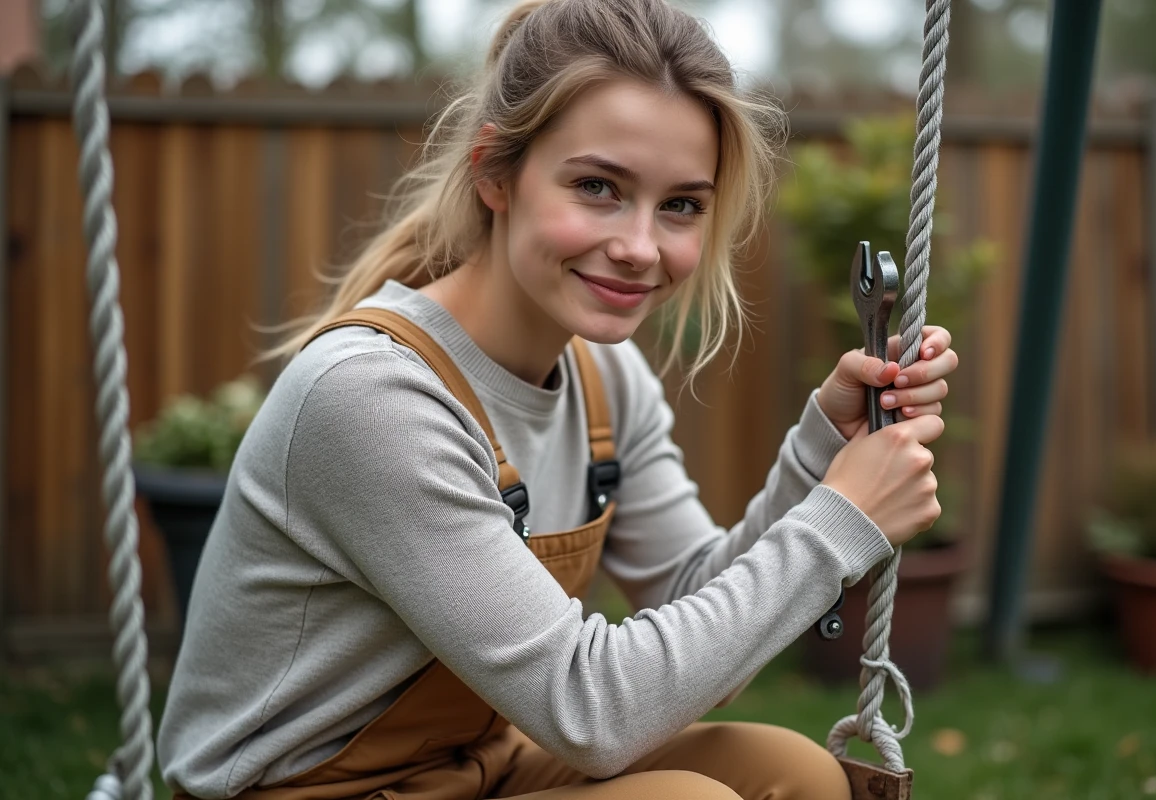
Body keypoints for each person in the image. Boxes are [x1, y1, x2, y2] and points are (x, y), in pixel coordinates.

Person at [157, 0, 957, 797]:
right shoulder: (375, 396)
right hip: (299, 790)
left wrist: (823, 450)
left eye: (680, 205)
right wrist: (839, 524)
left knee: (797, 774)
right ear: (493, 173)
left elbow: (698, 614)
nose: (639, 247)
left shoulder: (606, 381)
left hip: (474, 765)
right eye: (597, 186)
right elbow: (592, 712)